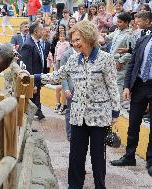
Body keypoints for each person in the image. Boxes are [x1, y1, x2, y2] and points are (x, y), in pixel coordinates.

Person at [33, 20, 120, 188]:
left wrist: (115, 113)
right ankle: (74, 186)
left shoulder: (106, 59)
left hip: (99, 116)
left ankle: (100, 185)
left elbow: (112, 86)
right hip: (78, 116)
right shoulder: (73, 60)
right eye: (73, 40)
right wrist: (34, 77)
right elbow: (56, 76)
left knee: (97, 158)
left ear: (89, 37)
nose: (75, 43)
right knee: (75, 157)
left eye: (78, 39)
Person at [109, 35, 152, 177]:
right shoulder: (143, 40)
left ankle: (150, 161)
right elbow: (132, 64)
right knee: (133, 124)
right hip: (139, 86)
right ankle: (129, 156)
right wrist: (127, 86)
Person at [103, 12, 135, 105]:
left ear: (126, 23)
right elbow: (108, 37)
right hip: (112, 60)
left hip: (121, 62)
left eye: (120, 22)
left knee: (119, 82)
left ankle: (119, 103)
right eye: (117, 22)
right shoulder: (117, 31)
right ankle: (114, 101)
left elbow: (132, 52)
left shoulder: (130, 34)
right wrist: (100, 34)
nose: (118, 24)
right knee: (112, 81)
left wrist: (121, 61)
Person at [21, 22, 45, 120]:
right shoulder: (28, 45)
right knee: (29, 105)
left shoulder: (37, 43)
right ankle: (27, 128)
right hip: (32, 81)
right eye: (41, 30)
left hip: (38, 78)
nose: (43, 32)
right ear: (35, 32)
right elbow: (27, 67)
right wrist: (32, 84)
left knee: (35, 102)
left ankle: (30, 125)